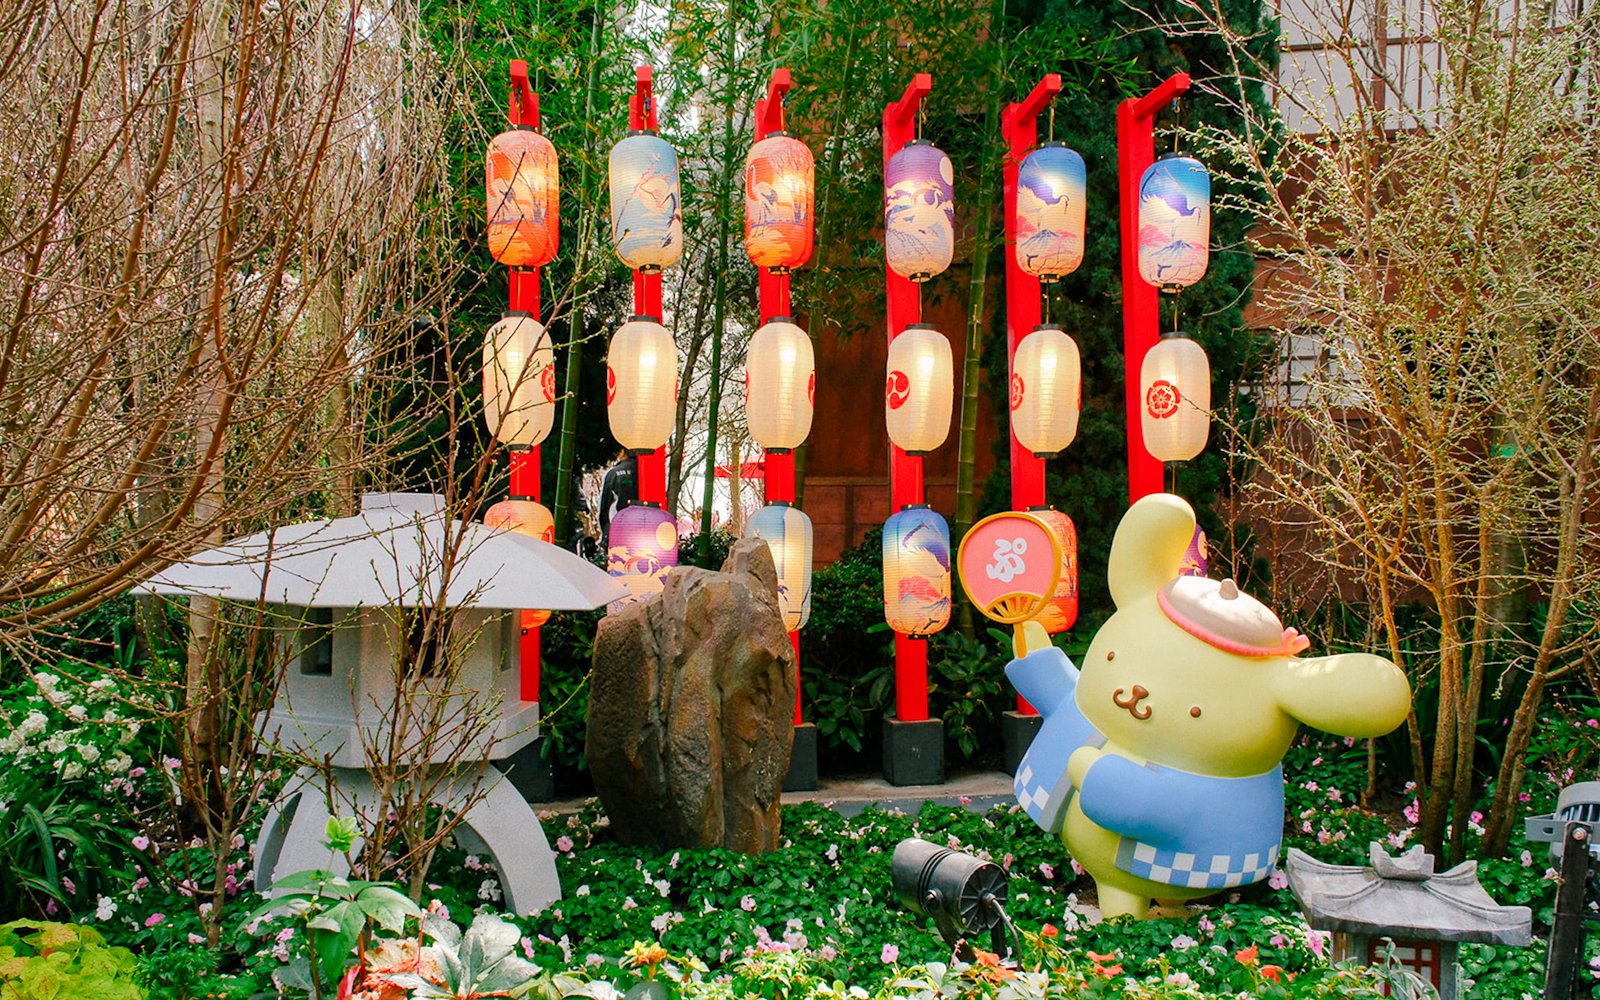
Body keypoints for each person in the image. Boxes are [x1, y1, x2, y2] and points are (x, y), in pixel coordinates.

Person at [598, 451, 637, 548]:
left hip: (619, 529)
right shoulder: (646, 471)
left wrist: (606, 535)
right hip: (645, 529)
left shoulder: (614, 473)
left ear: (623, 451)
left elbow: (604, 509)